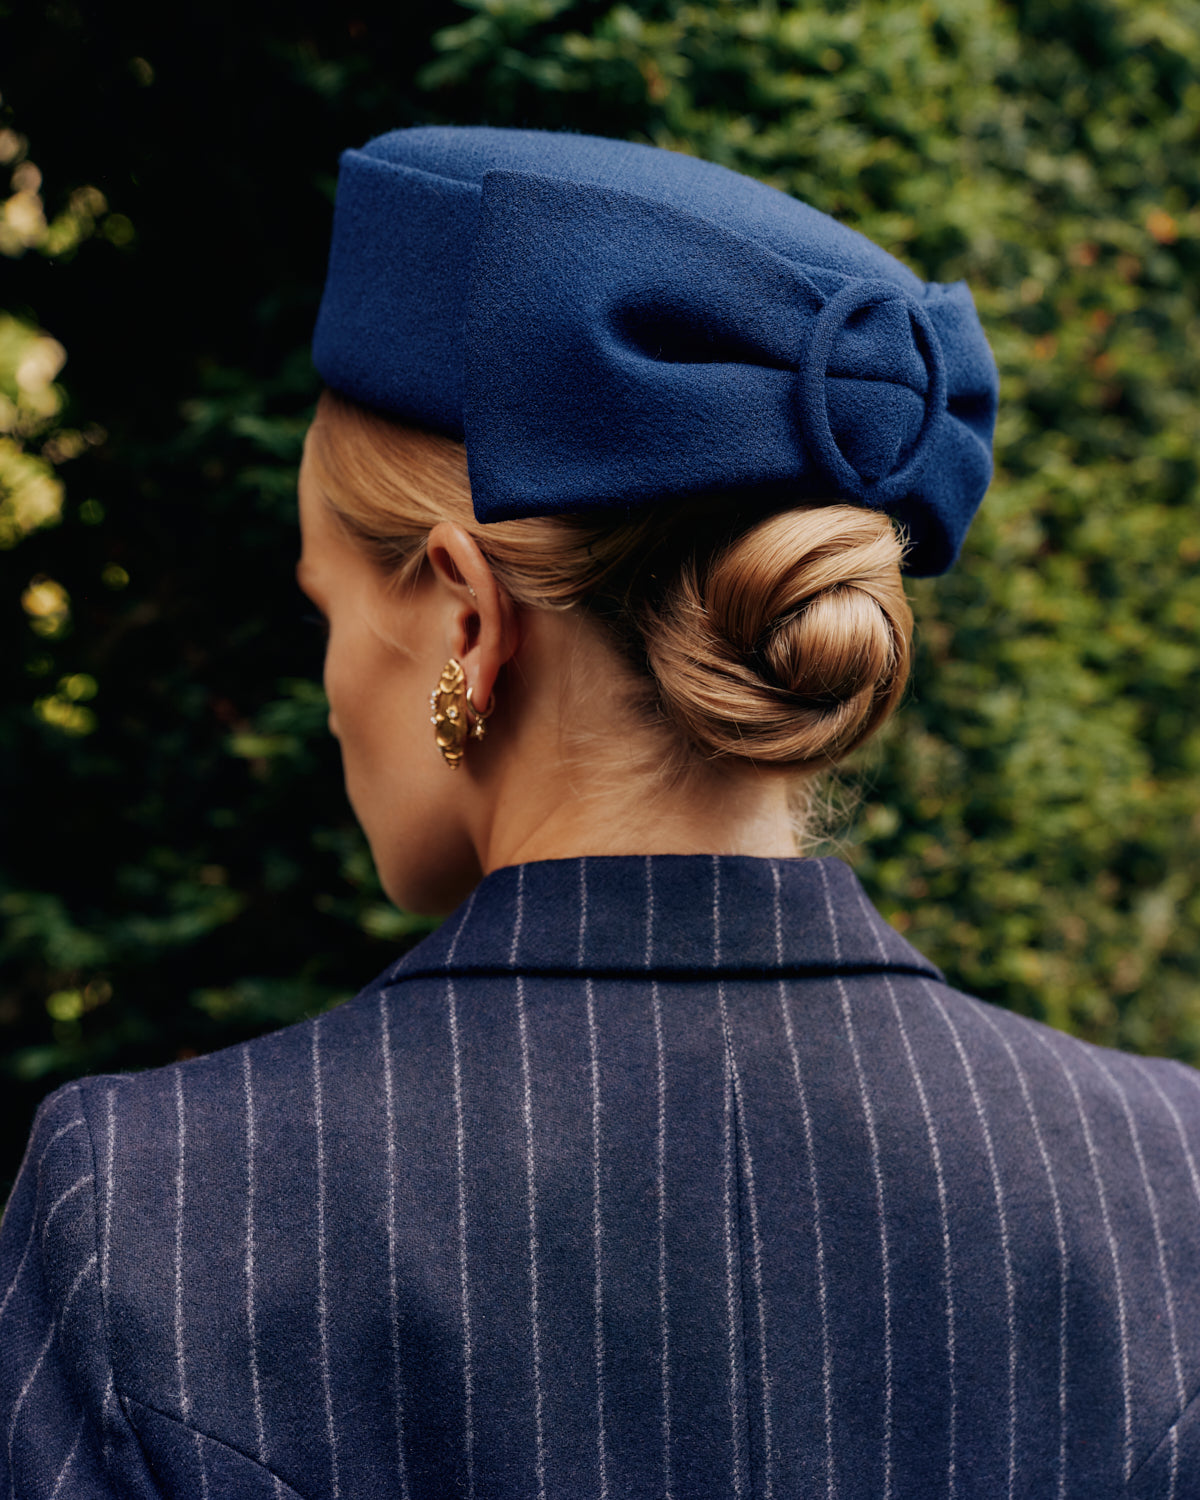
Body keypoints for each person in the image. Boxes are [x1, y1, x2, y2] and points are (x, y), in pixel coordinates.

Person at [1, 124, 1197, 1499]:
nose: (330, 688)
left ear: (465, 616)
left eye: (325, 604)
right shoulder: (1167, 1188)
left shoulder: (152, 1214)